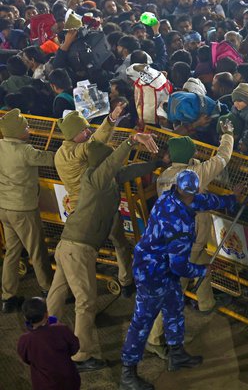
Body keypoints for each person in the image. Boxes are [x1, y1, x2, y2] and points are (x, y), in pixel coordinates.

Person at [47, 131, 160, 372]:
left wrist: (157, 163)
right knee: (86, 302)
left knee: (58, 291)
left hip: (68, 244)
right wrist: (130, 141)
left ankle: (47, 331)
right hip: (79, 248)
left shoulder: (100, 177)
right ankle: (81, 354)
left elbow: (126, 171)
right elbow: (114, 164)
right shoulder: (96, 178)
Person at [120, 170, 238, 390]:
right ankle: (128, 373)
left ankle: (176, 354)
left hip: (164, 269)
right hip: (152, 272)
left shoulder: (170, 195)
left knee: (174, 308)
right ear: (188, 192)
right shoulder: (179, 226)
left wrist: (231, 199)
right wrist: (201, 270)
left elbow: (202, 201)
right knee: (142, 321)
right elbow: (180, 266)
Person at [147, 121, 236, 357]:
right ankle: (154, 338)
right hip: (188, 241)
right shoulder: (194, 175)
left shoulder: (165, 176)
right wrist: (227, 134)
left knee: (201, 261)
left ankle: (206, 302)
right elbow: (223, 158)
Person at [54, 105, 137, 296]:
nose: (88, 131)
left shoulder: (59, 154)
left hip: (77, 210)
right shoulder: (78, 152)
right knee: (119, 244)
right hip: (99, 207)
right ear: (72, 134)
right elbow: (96, 143)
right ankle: (126, 282)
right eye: (83, 130)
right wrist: (110, 121)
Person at [0, 109, 53, 313]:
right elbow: (51, 159)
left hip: (4, 208)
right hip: (23, 209)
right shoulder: (26, 151)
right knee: (37, 250)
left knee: (12, 252)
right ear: (17, 133)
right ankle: (49, 290)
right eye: (26, 127)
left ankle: (8, 297)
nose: (29, 129)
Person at [17, 297, 81, 390]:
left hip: (43, 383)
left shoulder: (24, 340)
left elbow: (26, 359)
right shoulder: (62, 329)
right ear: (46, 314)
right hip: (69, 380)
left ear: (25, 317)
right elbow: (75, 347)